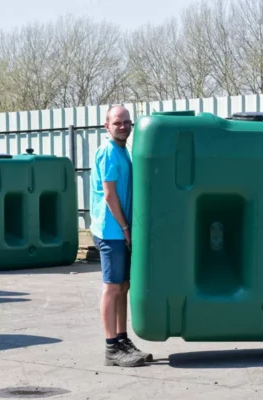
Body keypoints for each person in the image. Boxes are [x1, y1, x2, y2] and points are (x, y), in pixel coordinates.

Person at [90, 105, 152, 367]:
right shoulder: (108, 152)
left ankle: (121, 339)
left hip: (122, 230)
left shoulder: (123, 151)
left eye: (128, 122)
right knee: (112, 287)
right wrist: (126, 228)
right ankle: (110, 347)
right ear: (107, 126)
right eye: (118, 123)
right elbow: (109, 194)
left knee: (123, 287)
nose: (124, 126)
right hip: (111, 231)